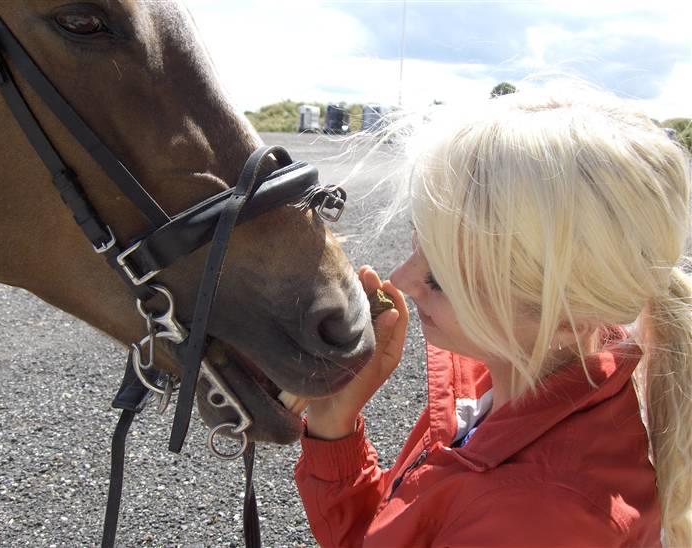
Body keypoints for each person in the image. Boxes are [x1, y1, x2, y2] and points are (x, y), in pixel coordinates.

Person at [294, 85, 692, 547]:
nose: (401, 278)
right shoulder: (505, 379)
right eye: (419, 242)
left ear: (563, 314)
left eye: (441, 274)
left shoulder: (534, 522)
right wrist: (334, 425)